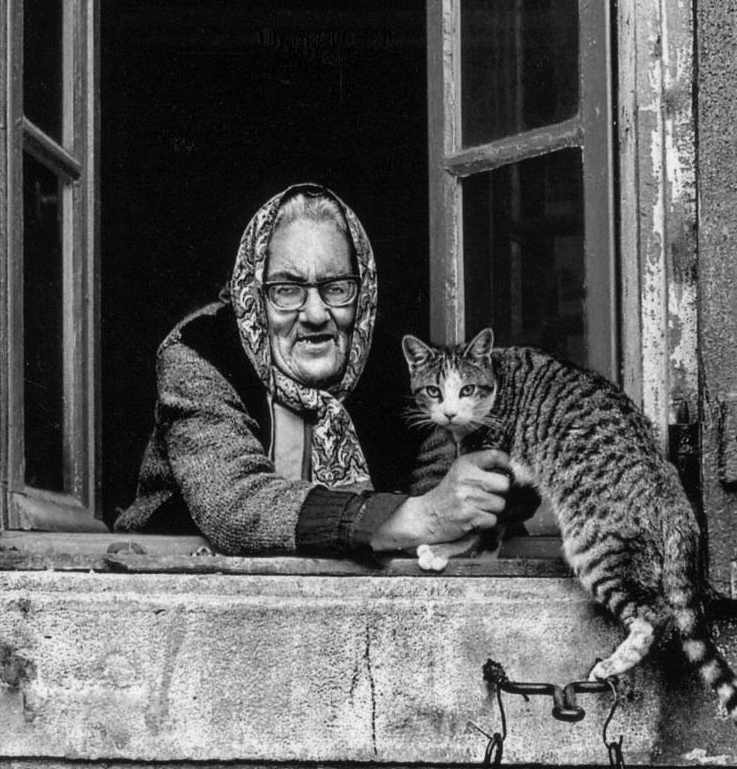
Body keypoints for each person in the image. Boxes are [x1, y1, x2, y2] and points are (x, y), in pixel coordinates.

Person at [118, 182, 521, 557]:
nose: (314, 314)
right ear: (252, 294)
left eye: (336, 288)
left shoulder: (398, 369)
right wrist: (420, 517)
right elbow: (235, 504)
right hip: (185, 581)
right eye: (286, 290)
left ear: (362, 293)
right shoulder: (200, 352)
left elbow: (441, 485)